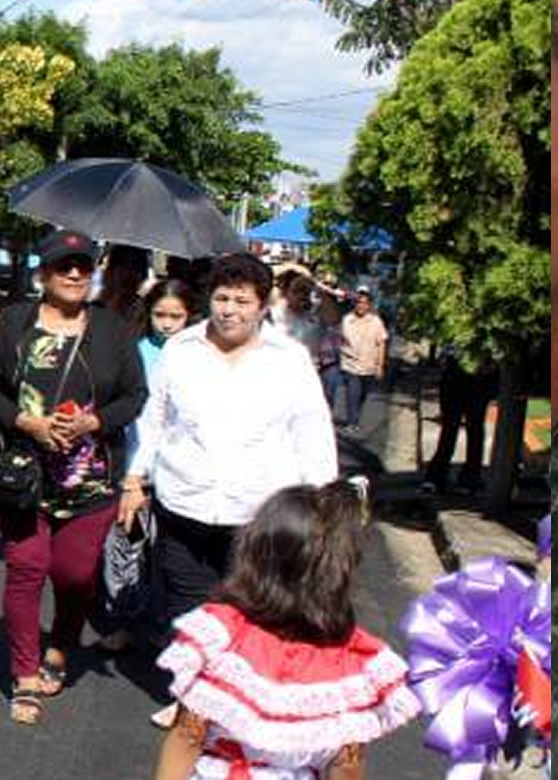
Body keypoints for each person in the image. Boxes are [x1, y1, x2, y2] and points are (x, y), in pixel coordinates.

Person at [120, 253, 338, 727]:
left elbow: (312, 430)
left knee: (252, 608)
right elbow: (153, 419)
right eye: (221, 298)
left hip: (257, 510)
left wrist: (320, 502)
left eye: (242, 300)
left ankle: (241, 703)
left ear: (263, 305)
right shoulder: (182, 350)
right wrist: (135, 478)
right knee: (188, 607)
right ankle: (192, 700)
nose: (229, 310)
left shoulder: (288, 359)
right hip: (184, 501)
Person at [0, 229, 148, 724]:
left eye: (84, 266)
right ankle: (25, 673)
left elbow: (135, 396)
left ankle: (62, 645)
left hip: (91, 480)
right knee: (27, 568)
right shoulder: (15, 324)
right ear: (43, 273)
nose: (75, 274)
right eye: (63, 266)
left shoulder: (113, 330)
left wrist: (94, 421)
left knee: (73, 575)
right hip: (22, 478)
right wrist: (25, 421)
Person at [150, 481, 420, 780]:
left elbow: (190, 734)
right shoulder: (351, 663)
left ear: (254, 555)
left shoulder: (225, 635)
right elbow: (346, 763)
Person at [96, 278, 198, 653]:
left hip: (179, 471)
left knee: (167, 555)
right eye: (160, 315)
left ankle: (161, 623)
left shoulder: (198, 356)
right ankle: (119, 619)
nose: (167, 324)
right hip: (134, 466)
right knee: (127, 543)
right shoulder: (135, 352)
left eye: (177, 316)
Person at [422, 347, 492, 495]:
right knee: (450, 429)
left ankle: (469, 478)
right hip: (456, 375)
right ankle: (437, 477)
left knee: (474, 429)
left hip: (478, 376)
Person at [337, 288, 388, 435]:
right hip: (350, 364)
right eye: (359, 303)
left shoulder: (376, 322)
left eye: (364, 303)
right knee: (353, 393)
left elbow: (381, 343)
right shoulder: (347, 320)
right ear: (355, 304)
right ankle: (353, 422)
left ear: (369, 305)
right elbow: (339, 338)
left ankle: (355, 417)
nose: (361, 306)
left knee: (362, 395)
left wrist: (380, 365)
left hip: (369, 365)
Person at [97, 244, 151, 322]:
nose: (129, 274)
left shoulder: (145, 313)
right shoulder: (92, 309)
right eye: (124, 266)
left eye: (135, 267)